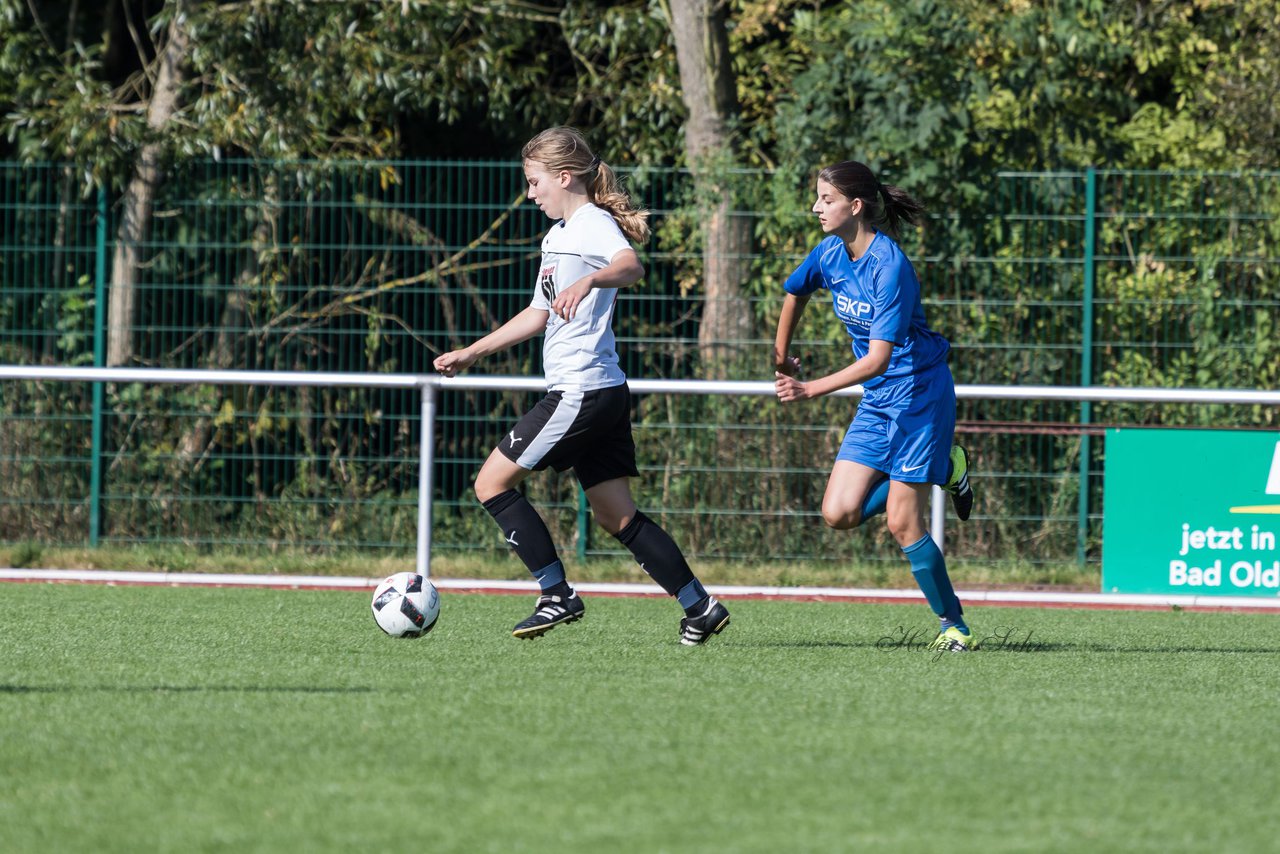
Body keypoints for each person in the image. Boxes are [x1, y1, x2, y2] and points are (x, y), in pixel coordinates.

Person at [433, 126, 730, 646]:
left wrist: (590, 279)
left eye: (534, 182)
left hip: (581, 391)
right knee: (617, 516)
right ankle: (699, 607)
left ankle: (556, 594)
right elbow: (537, 313)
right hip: (604, 390)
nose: (530, 194)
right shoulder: (558, 236)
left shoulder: (591, 222)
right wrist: (471, 352)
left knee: (490, 484)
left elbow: (629, 265)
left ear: (564, 176)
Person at [771, 160, 977, 652]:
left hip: (918, 394)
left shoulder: (891, 266)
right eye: (818, 198)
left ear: (854, 206)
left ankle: (955, 626)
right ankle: (944, 466)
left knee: (901, 521)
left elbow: (879, 359)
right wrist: (780, 355)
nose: (815, 207)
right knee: (838, 513)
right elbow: (793, 292)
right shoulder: (829, 253)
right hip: (880, 400)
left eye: (825, 199)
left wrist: (809, 389)